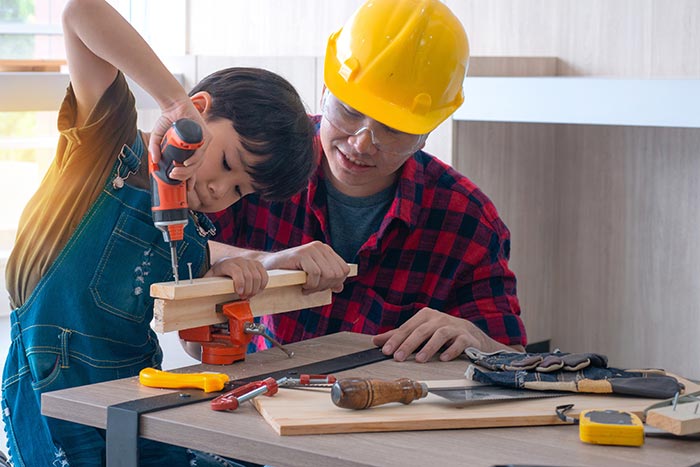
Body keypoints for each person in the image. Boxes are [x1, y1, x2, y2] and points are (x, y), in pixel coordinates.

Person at [1, 0, 316, 465]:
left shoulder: (189, 236)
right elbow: (79, 13)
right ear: (199, 113)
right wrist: (173, 101)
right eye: (227, 164)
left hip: (134, 401)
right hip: (55, 406)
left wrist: (222, 293)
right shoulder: (106, 151)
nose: (217, 191)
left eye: (239, 191)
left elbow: (191, 338)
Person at [207, 0, 527, 363]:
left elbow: (513, 359)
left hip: (395, 415)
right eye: (350, 110)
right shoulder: (262, 159)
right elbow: (175, 254)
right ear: (326, 91)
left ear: (426, 132)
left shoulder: (467, 219)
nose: (360, 143)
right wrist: (262, 262)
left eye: (391, 128)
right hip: (260, 396)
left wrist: (478, 340)